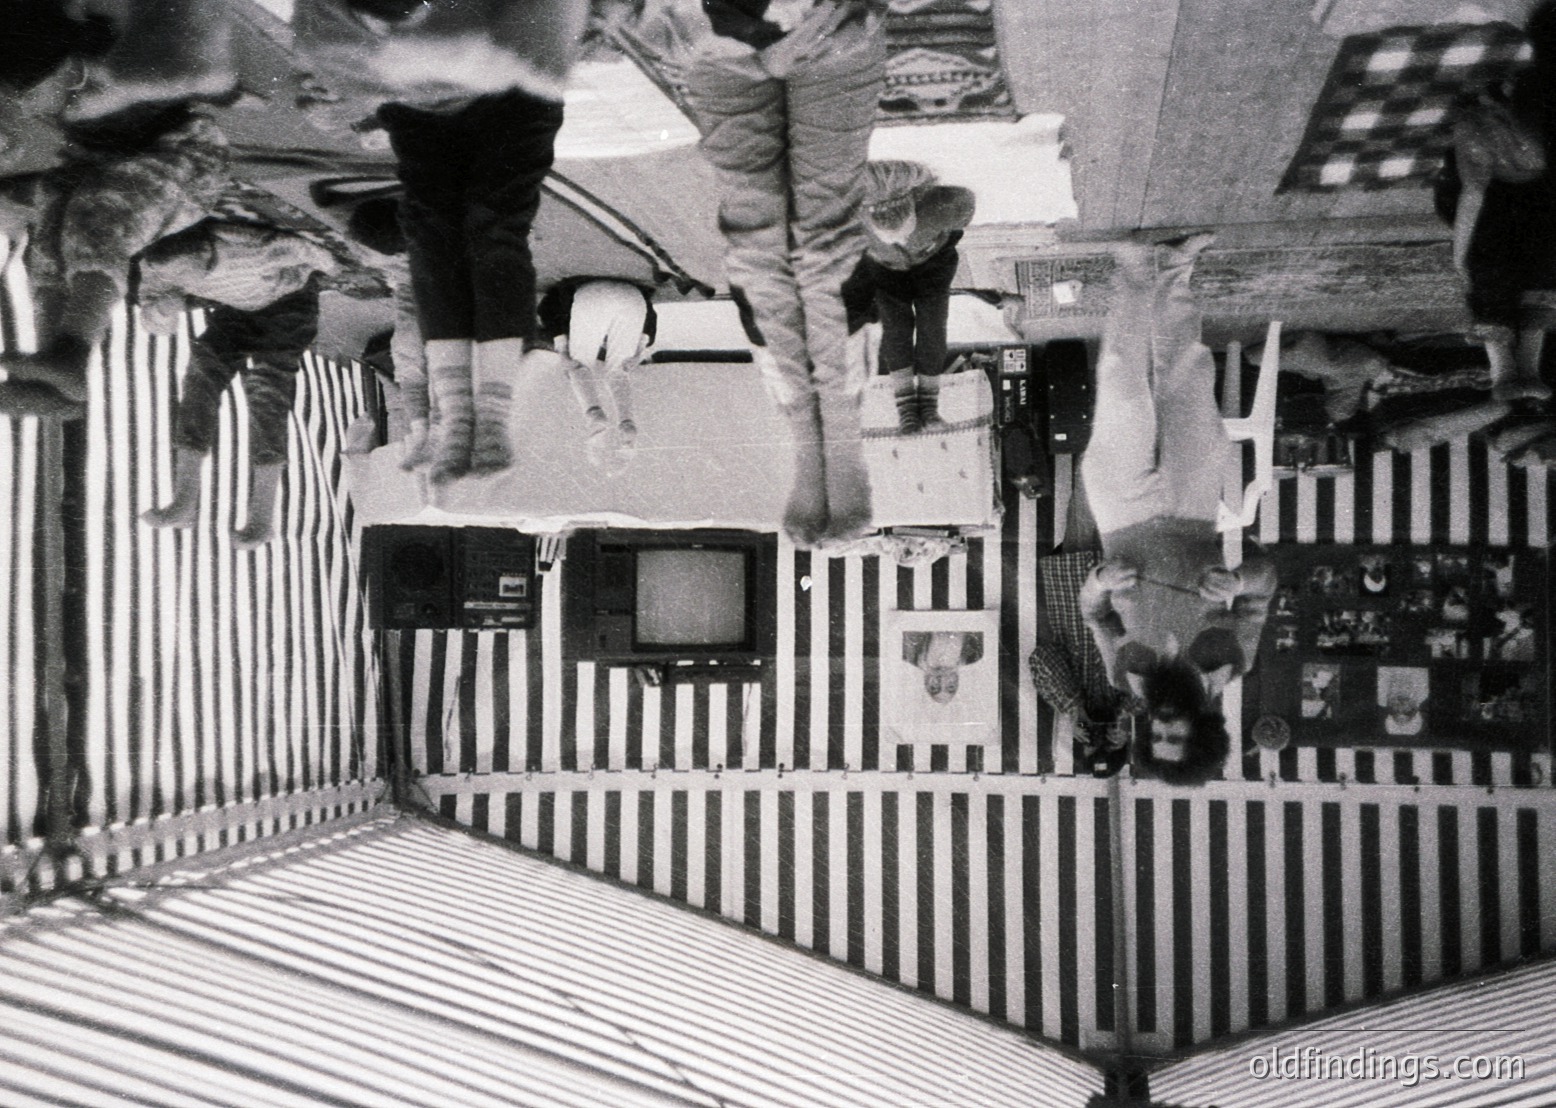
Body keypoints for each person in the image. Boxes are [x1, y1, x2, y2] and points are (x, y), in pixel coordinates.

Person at [294, 0, 590, 484]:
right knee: (434, 229)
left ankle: (486, 415)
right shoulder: (332, 27)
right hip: (430, 104)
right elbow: (326, 79)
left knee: (488, 225)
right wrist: (341, 96)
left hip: (508, 92)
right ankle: (459, 414)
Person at [678, 0, 888, 546]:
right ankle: (832, 434)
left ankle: (819, 438)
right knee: (818, 244)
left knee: (760, 239)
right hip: (738, 35)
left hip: (803, 34)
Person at [1077, 235, 1276, 785]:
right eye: (1176, 736)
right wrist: (1236, 583)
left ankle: (1135, 270)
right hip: (1193, 507)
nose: (1163, 725)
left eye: (1155, 738)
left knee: (1121, 385)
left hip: (1120, 510)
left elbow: (1093, 610)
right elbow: (1265, 581)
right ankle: (1178, 270)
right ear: (1205, 728)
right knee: (1188, 374)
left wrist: (1100, 578)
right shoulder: (1233, 661)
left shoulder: (1127, 674)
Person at [0, 108, 229, 412]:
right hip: (187, 167)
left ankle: (60, 367)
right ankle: (65, 362)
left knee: (58, 232)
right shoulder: (92, 93)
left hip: (184, 151)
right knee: (92, 222)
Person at [858, 160, 975, 433]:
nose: (899, 240)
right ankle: (907, 409)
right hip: (882, 270)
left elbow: (964, 208)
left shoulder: (940, 206)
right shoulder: (853, 218)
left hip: (933, 266)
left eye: (904, 233)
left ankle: (929, 405)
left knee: (933, 325)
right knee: (894, 328)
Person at [538, 277, 656, 469]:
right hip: (618, 297)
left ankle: (620, 421)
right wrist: (640, 351)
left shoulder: (567, 324)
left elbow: (650, 318)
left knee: (598, 368)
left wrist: (642, 350)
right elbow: (546, 306)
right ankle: (605, 417)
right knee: (599, 368)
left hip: (628, 298)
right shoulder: (557, 317)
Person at [902, 631, 982, 704]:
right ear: (957, 682)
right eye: (951, 686)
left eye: (934, 687)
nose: (942, 680)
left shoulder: (909, 653)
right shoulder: (975, 654)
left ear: (925, 684)